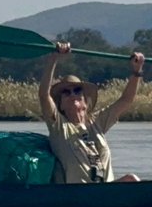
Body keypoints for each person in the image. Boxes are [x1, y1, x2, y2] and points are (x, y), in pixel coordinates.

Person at [39, 42, 142, 183]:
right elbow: (44, 95)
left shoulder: (97, 121)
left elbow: (126, 100)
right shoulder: (59, 126)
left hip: (107, 190)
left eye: (77, 91)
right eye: (66, 92)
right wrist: (54, 59)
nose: (72, 94)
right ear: (61, 105)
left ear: (85, 102)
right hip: (80, 194)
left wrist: (136, 71)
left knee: (132, 179)